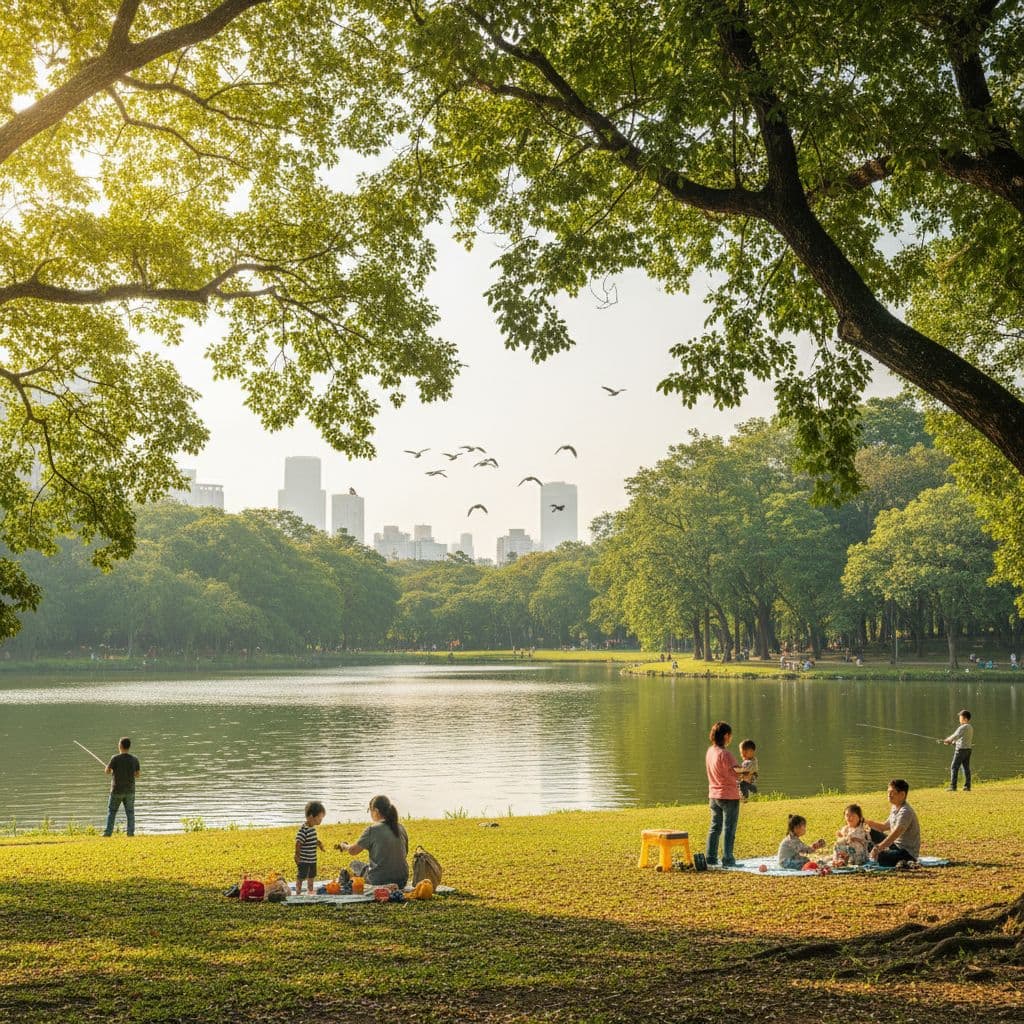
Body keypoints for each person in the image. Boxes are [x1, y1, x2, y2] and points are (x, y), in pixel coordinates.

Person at [334, 794, 409, 887]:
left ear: (376, 811)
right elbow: (405, 853)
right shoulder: (401, 827)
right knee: (367, 866)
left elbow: (353, 851)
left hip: (379, 881)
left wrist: (344, 846)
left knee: (354, 864)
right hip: (402, 880)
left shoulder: (372, 829)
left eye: (370, 811)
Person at [704, 721, 741, 867]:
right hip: (728, 796)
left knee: (715, 827)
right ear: (726, 736)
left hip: (714, 795)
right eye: (730, 735)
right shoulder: (725, 754)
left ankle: (711, 858)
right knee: (729, 829)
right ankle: (728, 859)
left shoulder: (710, 751)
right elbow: (737, 773)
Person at [865, 779, 920, 866]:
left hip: (906, 853)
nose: (889, 795)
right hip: (895, 846)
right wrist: (864, 821)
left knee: (881, 857)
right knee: (867, 833)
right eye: (888, 792)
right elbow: (884, 827)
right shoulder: (895, 807)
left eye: (892, 792)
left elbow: (895, 834)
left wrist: (878, 848)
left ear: (902, 794)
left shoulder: (905, 812)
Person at [103, 737, 140, 837]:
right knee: (130, 813)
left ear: (120, 745)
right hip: (130, 791)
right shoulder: (135, 759)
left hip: (116, 790)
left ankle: (107, 833)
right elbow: (137, 775)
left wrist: (109, 769)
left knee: (112, 812)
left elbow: (107, 771)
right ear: (129, 746)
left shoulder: (115, 758)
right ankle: (130, 833)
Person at [295, 800, 326, 894]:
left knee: (311, 876)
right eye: (320, 818)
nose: (321, 820)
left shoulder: (312, 829)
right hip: (304, 859)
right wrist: (297, 855)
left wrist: (319, 844)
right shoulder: (304, 830)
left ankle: (310, 890)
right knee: (301, 876)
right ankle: (298, 891)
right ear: (311, 816)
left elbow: (313, 839)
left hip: (312, 859)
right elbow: (298, 843)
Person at [943, 709, 974, 792]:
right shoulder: (970, 727)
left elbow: (955, 735)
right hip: (968, 750)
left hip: (961, 751)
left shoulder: (963, 727)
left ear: (966, 719)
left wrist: (947, 740)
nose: (959, 719)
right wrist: (953, 742)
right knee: (966, 768)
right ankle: (967, 786)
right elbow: (961, 739)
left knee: (954, 767)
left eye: (961, 717)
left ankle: (953, 787)